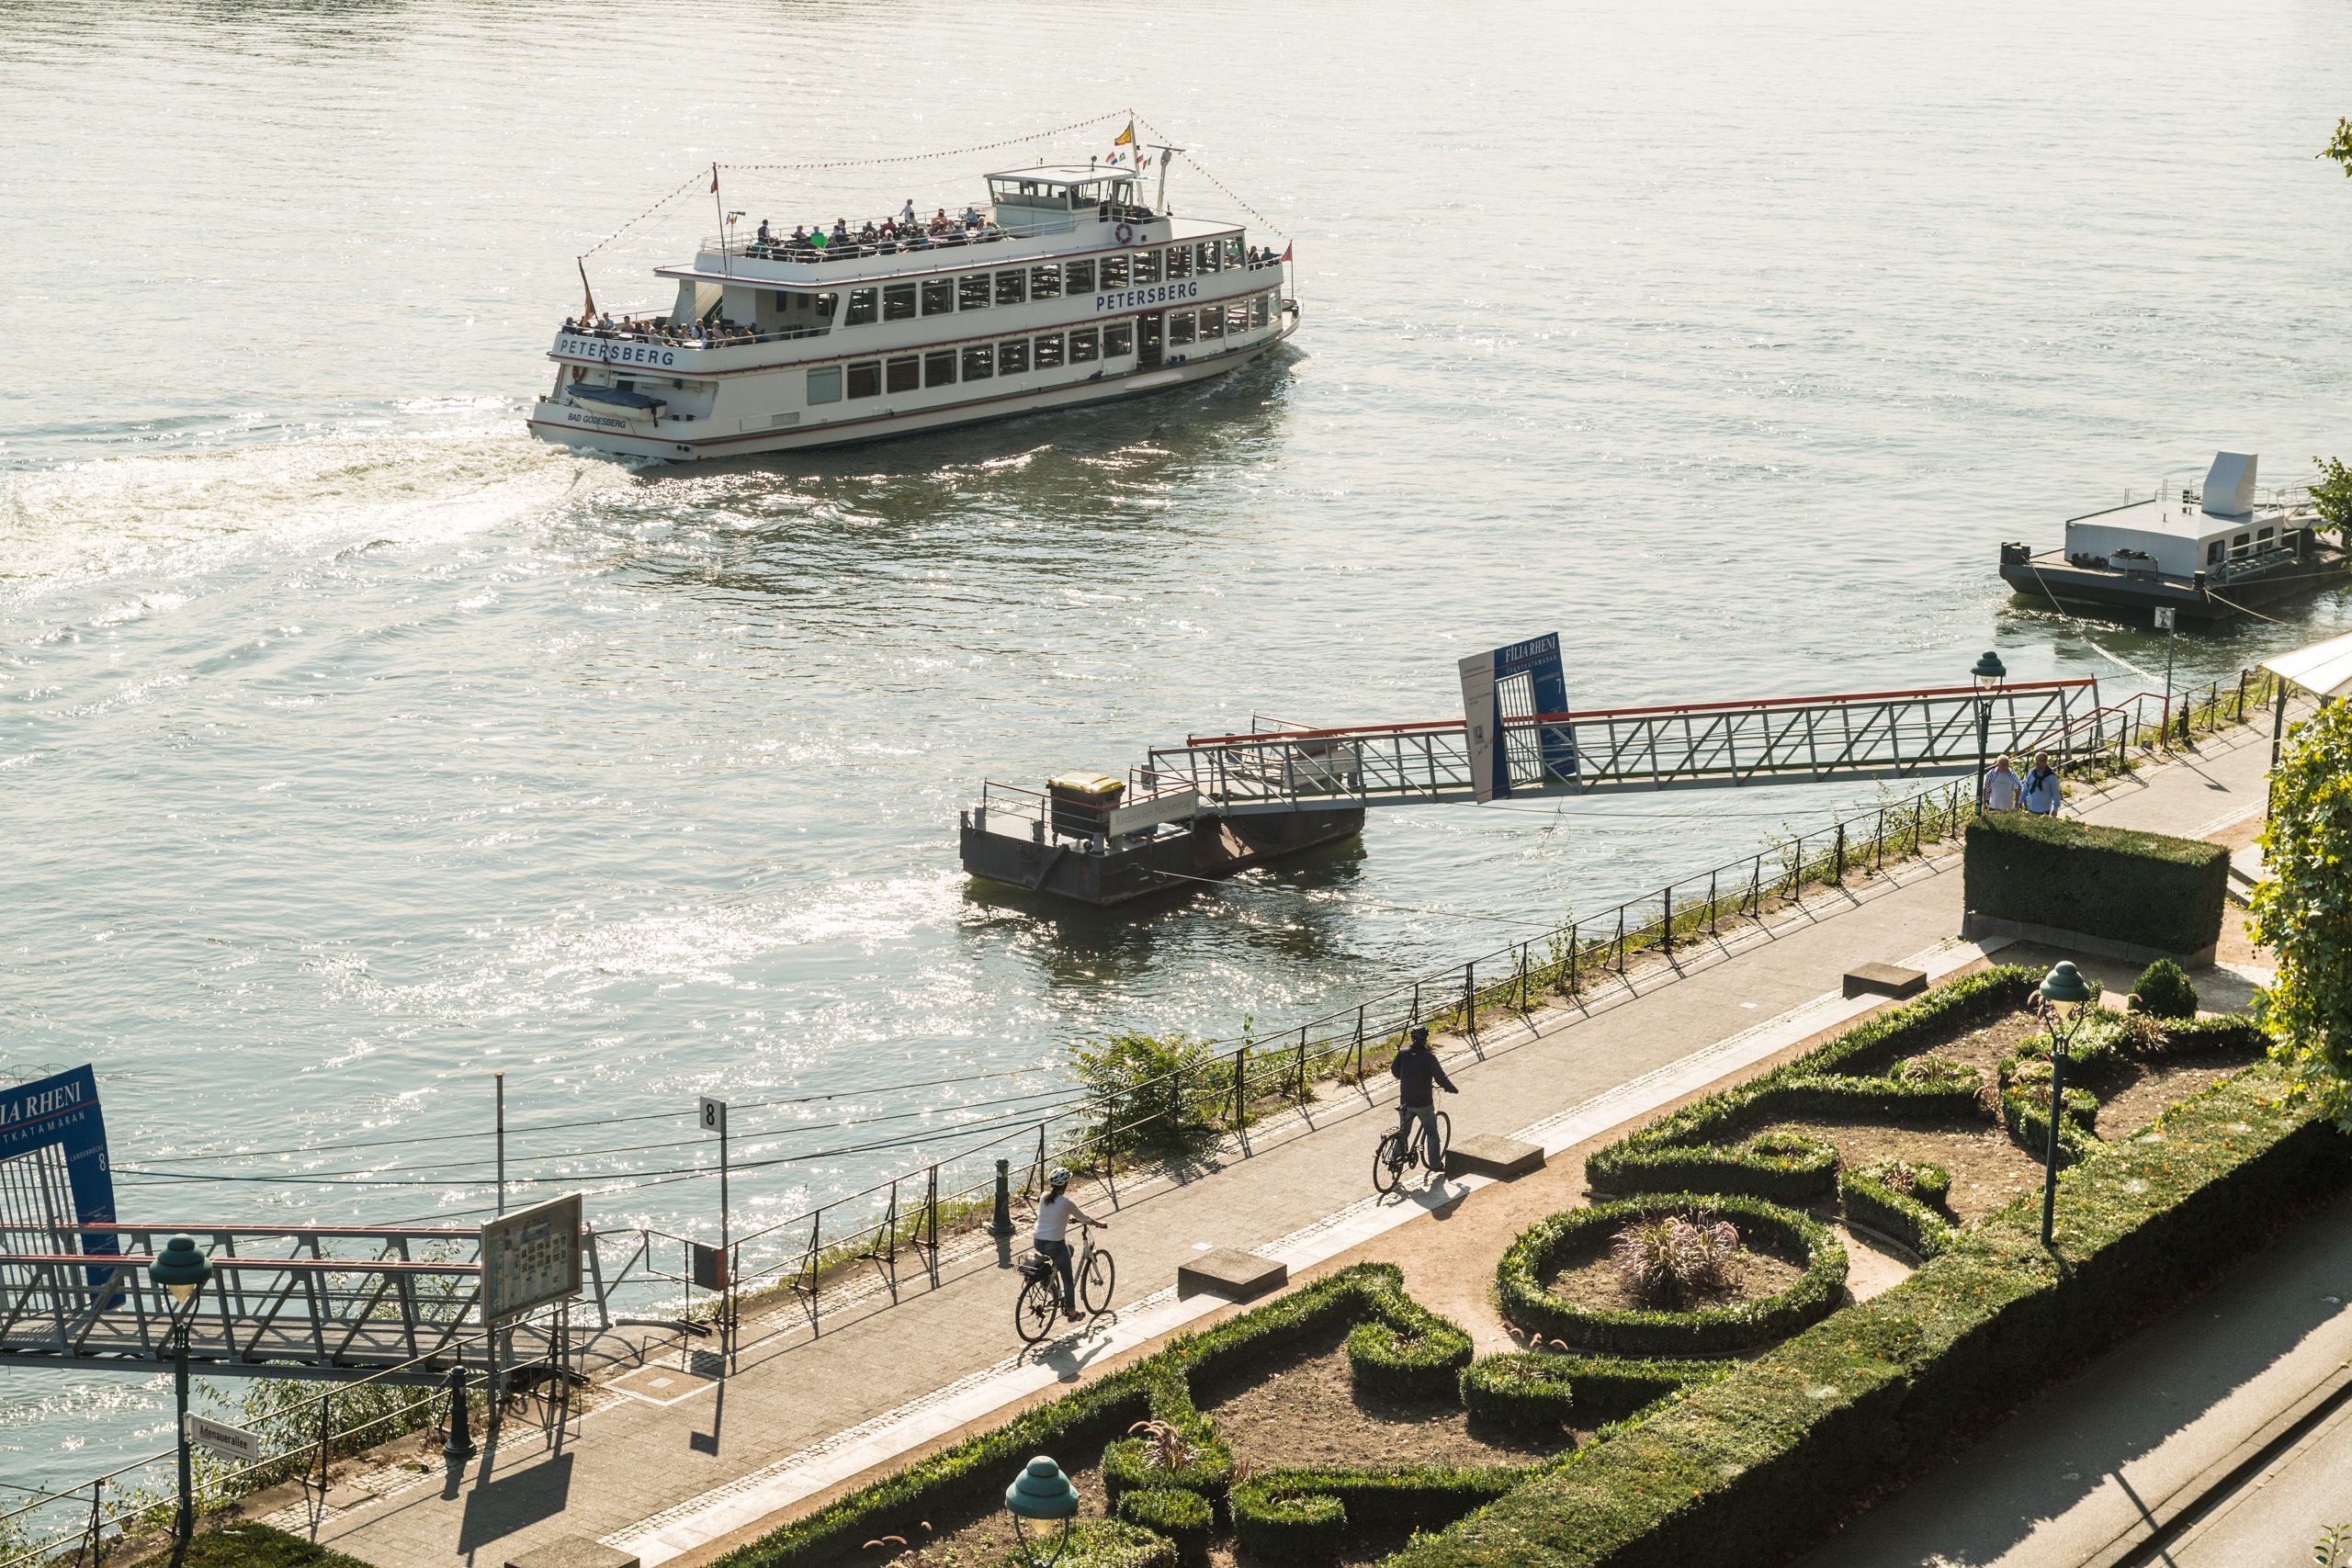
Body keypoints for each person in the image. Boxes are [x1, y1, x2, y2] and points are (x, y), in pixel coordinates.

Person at [1031, 1168, 1103, 1322]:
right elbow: (1084, 1218)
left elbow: (1051, 1214)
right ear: (1065, 1185)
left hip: (1038, 1242)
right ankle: (1071, 1312)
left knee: (1069, 1249)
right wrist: (1098, 1224)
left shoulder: (1044, 1196)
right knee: (1068, 1279)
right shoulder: (1066, 1203)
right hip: (1054, 1245)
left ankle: (1049, 1279)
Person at [1387, 1026, 1456, 1172]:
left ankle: (1394, 1162)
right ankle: (1435, 1165)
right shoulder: (1429, 1057)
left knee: (1403, 1133)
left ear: (1412, 1039)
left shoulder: (1403, 1053)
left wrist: (1406, 1078)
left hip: (1405, 1100)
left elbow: (1394, 1070)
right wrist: (1450, 1087)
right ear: (1425, 1039)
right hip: (1423, 1102)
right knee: (1431, 1133)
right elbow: (1440, 1077)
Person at [2021, 751, 2062, 815]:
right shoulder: (2031, 773)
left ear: (2045, 761)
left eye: (2039, 761)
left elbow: (2056, 794)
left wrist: (2055, 809)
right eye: (2035, 761)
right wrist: (2020, 802)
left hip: (2044, 810)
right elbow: (2025, 789)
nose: (2036, 763)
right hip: (2031, 808)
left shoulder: (2051, 776)